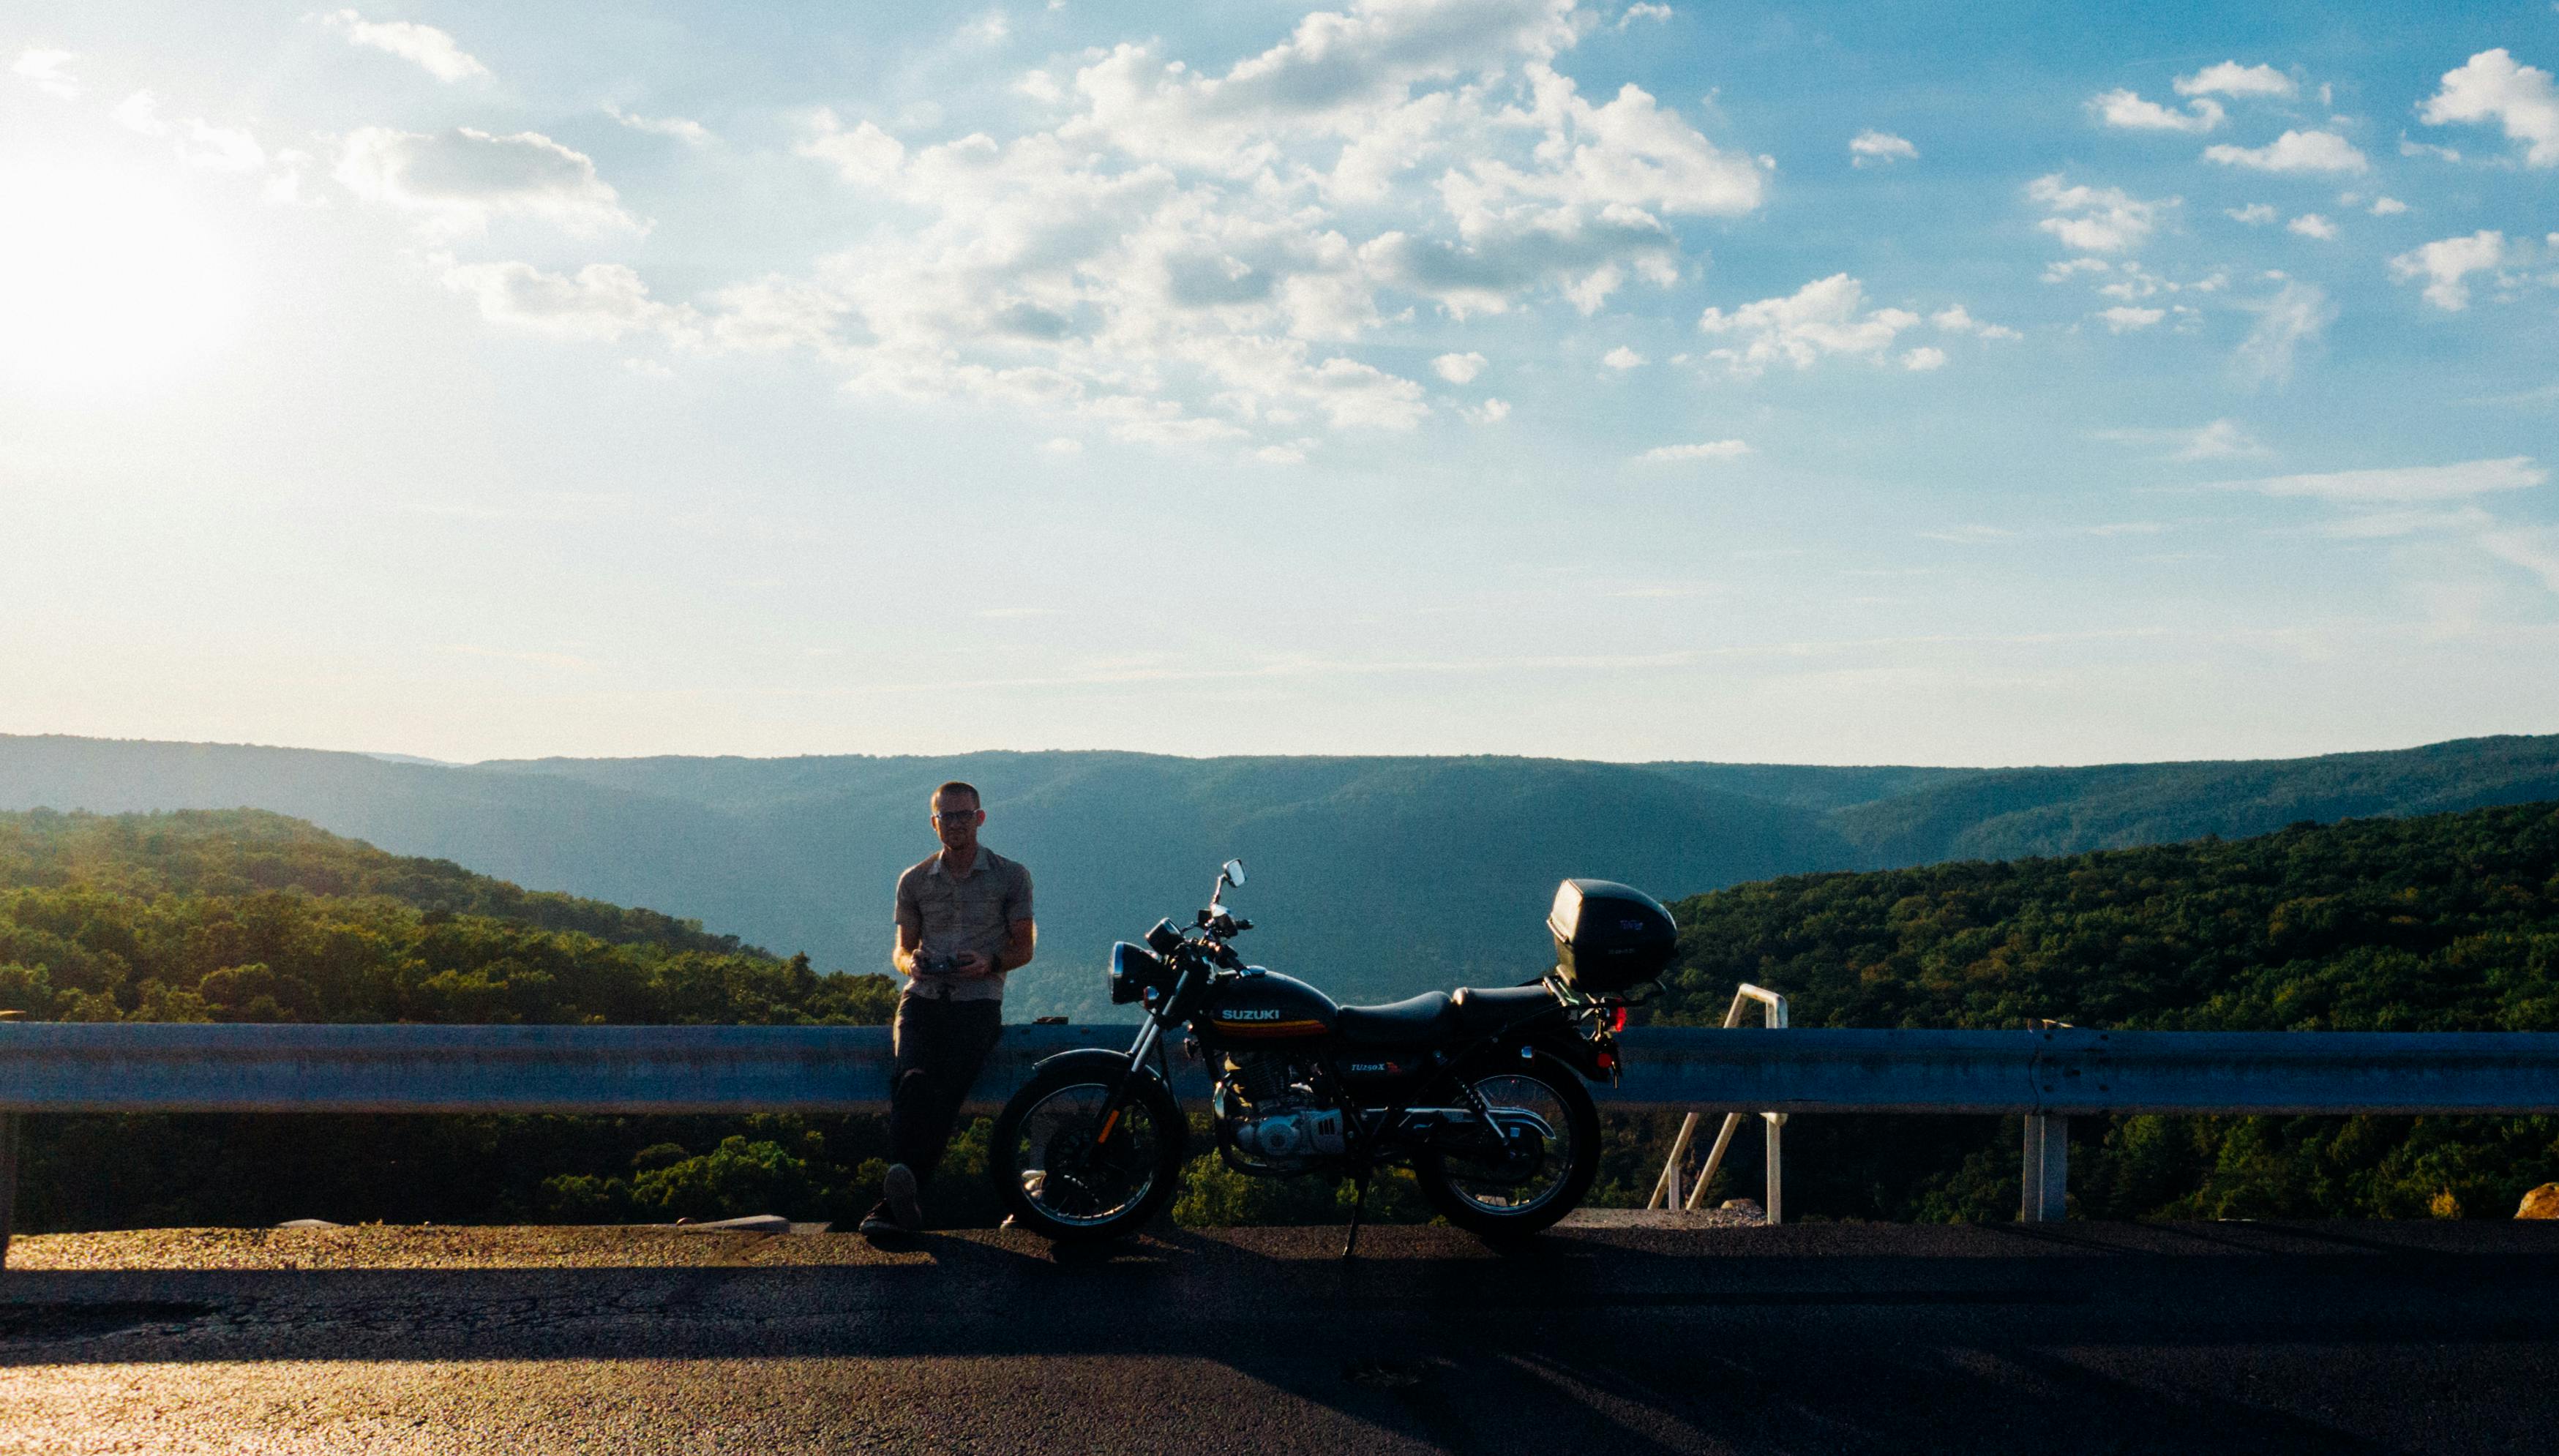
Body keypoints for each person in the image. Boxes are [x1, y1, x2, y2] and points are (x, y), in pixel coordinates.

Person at [859, 780, 1035, 1237]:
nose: (955, 824)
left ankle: (896, 1201)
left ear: (980, 818)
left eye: (963, 815)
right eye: (946, 816)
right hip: (922, 997)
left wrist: (989, 963)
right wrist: (910, 963)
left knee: (945, 1088)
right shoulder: (914, 880)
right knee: (912, 1081)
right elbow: (901, 951)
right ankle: (903, 1196)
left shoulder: (1011, 876)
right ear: (934, 821)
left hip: (978, 1001)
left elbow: (1024, 949)